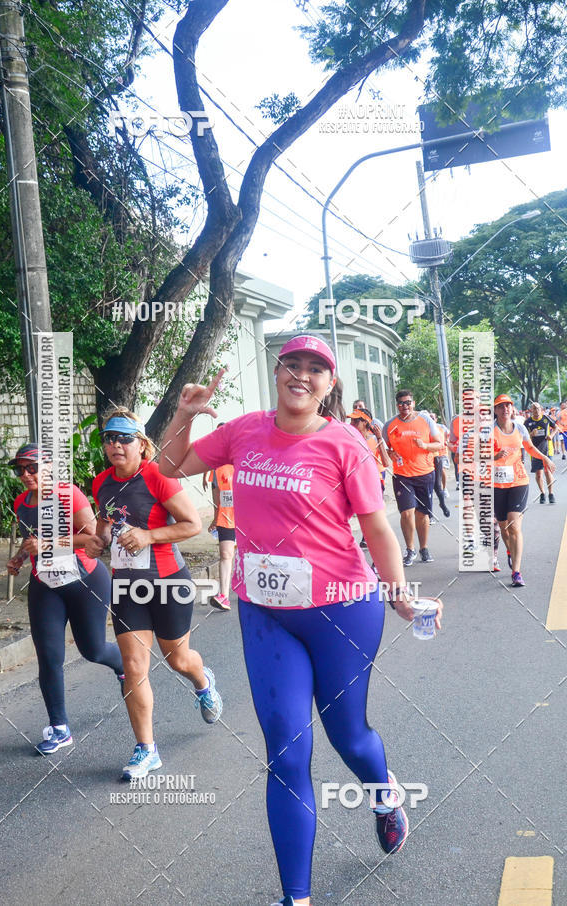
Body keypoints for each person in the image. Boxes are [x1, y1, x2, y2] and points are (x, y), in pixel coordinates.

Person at [159, 333, 442, 906]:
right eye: (294, 363)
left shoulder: (345, 445)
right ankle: (296, 898)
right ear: (278, 370)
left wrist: (400, 594)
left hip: (341, 608)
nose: (303, 375)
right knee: (287, 753)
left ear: (329, 384)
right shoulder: (245, 431)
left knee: (349, 738)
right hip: (267, 614)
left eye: (317, 369)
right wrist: (183, 416)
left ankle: (384, 796)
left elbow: (377, 528)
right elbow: (167, 467)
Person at [84, 408, 222, 781]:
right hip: (127, 585)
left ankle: (202, 680)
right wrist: (98, 543)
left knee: (178, 660)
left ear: (141, 444)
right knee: (133, 668)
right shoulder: (101, 483)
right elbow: (104, 526)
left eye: (124, 437)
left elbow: (193, 525)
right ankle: (147, 749)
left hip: (168, 582)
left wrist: (148, 535)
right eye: (109, 438)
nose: (115, 444)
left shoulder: (159, 476)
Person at [6, 443, 124, 754]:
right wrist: (20, 557)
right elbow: (30, 537)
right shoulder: (21, 502)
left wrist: (46, 544)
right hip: (45, 584)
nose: (25, 474)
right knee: (48, 655)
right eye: (20, 469)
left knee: (93, 650)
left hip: (84, 580)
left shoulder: (67, 494)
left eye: (31, 467)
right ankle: (59, 728)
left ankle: (123, 665)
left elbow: (92, 538)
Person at [493, 395, 555, 587]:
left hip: (518, 481)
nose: (505, 409)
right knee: (504, 527)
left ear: (512, 410)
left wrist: (545, 458)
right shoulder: (487, 431)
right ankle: (510, 552)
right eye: (501, 407)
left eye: (508, 406)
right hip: (496, 484)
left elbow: (529, 447)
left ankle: (516, 572)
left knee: (514, 526)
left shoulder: (519, 428)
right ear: (495, 410)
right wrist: (494, 455)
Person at [383, 391, 444, 566]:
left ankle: (424, 548)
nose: (405, 407)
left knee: (422, 514)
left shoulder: (426, 420)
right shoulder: (390, 425)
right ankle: (410, 549)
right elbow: (384, 448)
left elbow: (440, 444)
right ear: (397, 405)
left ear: (414, 403)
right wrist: (390, 453)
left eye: (408, 403)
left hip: (425, 473)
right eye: (401, 403)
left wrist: (425, 445)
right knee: (406, 512)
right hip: (403, 475)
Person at [207, 433, 236, 611]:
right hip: (227, 517)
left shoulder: (247, 461)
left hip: (249, 518)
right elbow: (216, 493)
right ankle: (224, 595)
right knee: (225, 554)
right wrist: (215, 516)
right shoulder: (217, 468)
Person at [524, 402, 557, 504]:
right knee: (538, 474)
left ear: (541, 409)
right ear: (531, 410)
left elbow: (555, 427)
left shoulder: (546, 418)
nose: (536, 410)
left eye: (538, 408)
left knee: (547, 472)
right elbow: (523, 436)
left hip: (547, 449)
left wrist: (551, 436)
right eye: (534, 408)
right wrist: (530, 434)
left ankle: (551, 493)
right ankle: (542, 493)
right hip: (534, 451)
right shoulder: (527, 422)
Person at [429, 412, 450, 518]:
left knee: (437, 485)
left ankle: (442, 503)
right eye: (429, 418)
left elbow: (442, 442)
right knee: (427, 489)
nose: (430, 419)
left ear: (436, 419)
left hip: (437, 457)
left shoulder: (440, 429)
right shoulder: (422, 429)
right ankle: (430, 515)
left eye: (432, 417)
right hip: (424, 462)